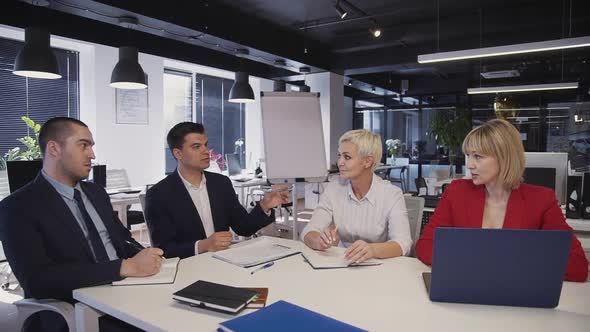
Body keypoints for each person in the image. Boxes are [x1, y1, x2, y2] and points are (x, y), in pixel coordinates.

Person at [0, 117, 163, 331]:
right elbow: (36, 281)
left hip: (127, 291)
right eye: (83, 145)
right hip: (79, 307)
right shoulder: (17, 207)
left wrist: (148, 256)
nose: (92, 155)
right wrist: (124, 267)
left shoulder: (96, 193)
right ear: (54, 148)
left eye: (92, 147)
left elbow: (123, 241)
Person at [415, 119, 588, 282]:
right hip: (467, 289)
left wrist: (498, 265)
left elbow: (577, 265)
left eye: (478, 157)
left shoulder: (541, 200)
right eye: (469, 156)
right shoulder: (457, 191)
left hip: (517, 298)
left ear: (504, 157)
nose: (469, 165)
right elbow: (425, 245)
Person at [145, 122, 289, 259]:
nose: (205, 151)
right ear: (178, 153)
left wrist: (264, 205)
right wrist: (202, 246)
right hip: (187, 268)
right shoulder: (159, 195)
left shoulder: (221, 183)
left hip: (224, 260)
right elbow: (163, 249)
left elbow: (243, 227)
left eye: (205, 145)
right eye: (196, 147)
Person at [301, 129, 412, 263]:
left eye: (347, 157)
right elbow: (308, 232)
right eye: (339, 155)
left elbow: (403, 243)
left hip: (379, 266)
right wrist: (319, 241)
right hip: (343, 262)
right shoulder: (333, 189)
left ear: (368, 161)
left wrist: (372, 250)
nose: (339, 162)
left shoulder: (391, 194)